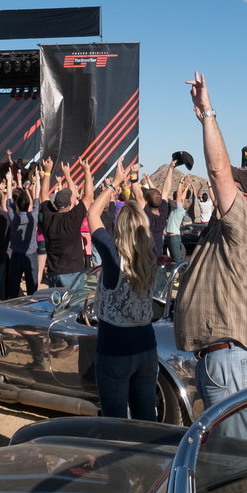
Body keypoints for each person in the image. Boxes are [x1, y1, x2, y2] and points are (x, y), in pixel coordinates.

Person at [173, 73, 247, 440]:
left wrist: (208, 113)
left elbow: (217, 170)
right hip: (225, 361)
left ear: (243, 198)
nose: (217, 187)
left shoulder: (243, 225)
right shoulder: (223, 229)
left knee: (239, 463)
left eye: (229, 185)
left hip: (232, 362)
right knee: (226, 461)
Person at [86, 166, 159, 419]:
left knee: (115, 423)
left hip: (115, 347)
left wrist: (113, 185)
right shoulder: (150, 257)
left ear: (120, 227)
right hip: (147, 347)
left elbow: (92, 213)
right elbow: (141, 212)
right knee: (146, 419)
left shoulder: (113, 256)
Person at [39, 168, 90, 291]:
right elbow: (89, 196)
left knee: (56, 308)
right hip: (73, 274)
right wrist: (86, 171)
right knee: (73, 308)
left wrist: (47, 172)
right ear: (69, 204)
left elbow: (43, 195)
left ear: (55, 204)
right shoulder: (73, 218)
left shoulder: (48, 217)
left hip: (54, 273)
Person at [3, 188, 40, 296]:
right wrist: (37, 180)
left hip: (16, 256)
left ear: (17, 205)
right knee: (32, 289)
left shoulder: (13, 218)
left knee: (13, 288)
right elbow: (37, 200)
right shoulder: (33, 217)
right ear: (29, 204)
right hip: (31, 256)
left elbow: (9, 202)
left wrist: (9, 181)